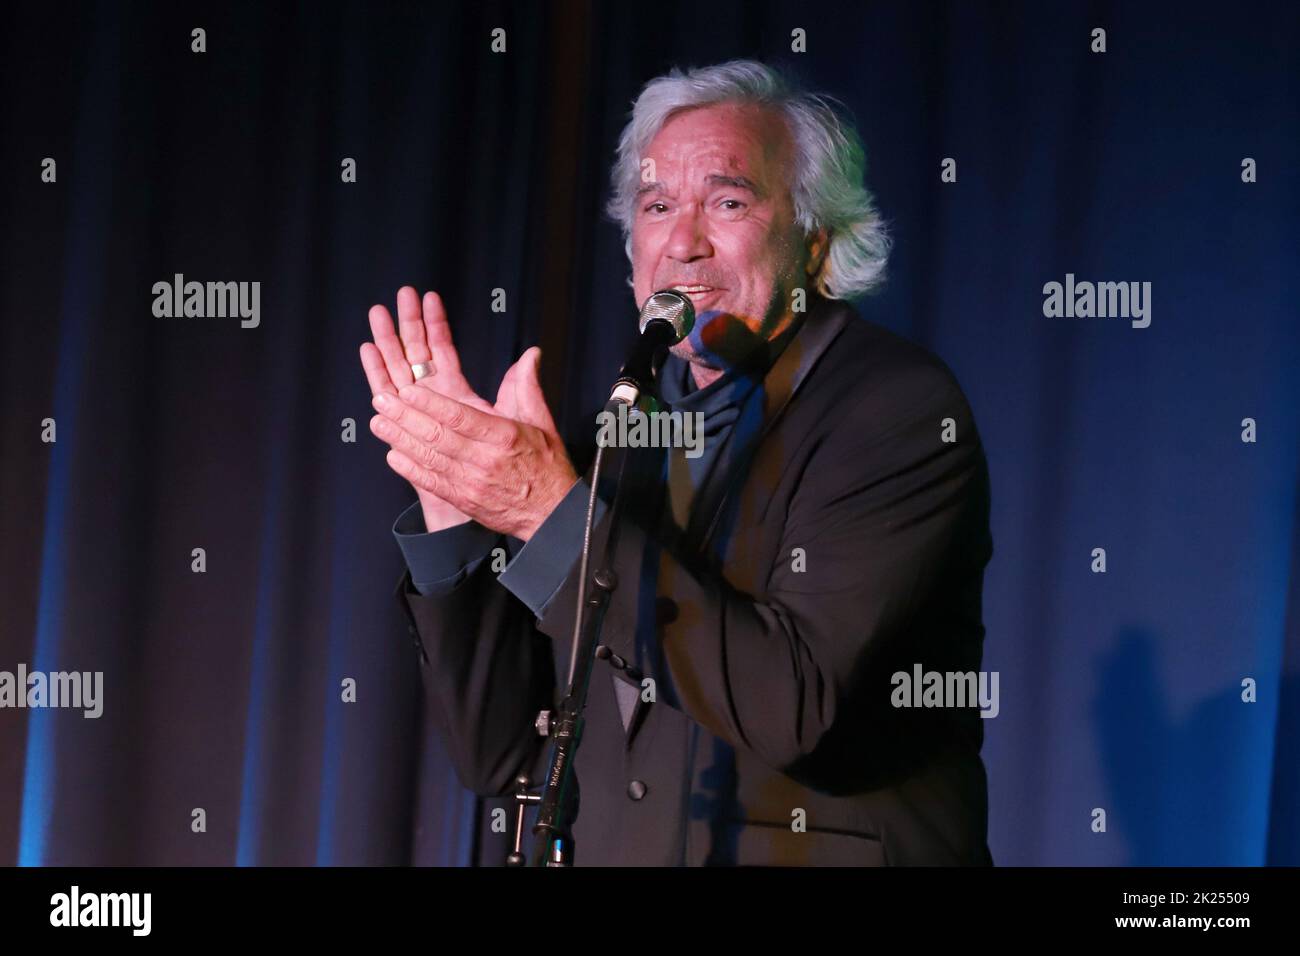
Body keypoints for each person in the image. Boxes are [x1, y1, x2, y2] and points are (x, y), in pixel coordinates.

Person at [359, 59, 994, 866]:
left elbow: (794, 704)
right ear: (632, 254)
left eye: (728, 202)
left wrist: (546, 514)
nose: (684, 243)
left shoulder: (895, 412)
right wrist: (452, 500)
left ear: (813, 237)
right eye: (657, 207)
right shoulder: (610, 442)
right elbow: (500, 754)